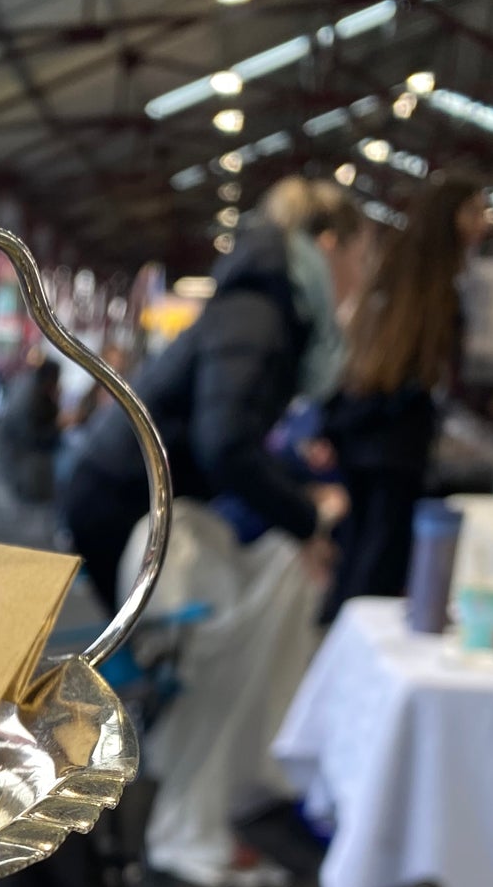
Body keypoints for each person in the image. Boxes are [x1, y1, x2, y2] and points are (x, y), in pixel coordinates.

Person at [61, 177, 364, 610]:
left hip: (129, 493)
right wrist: (305, 518)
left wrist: (296, 490)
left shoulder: (262, 306)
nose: (359, 276)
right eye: (360, 257)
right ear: (330, 245)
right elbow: (226, 443)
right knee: (168, 648)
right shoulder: (258, 315)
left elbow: (232, 429)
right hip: (120, 502)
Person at [321, 171, 488, 615]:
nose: (483, 221)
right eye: (473, 210)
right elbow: (428, 371)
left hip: (371, 433)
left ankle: (341, 641)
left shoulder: (406, 271)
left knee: (365, 553)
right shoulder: (434, 286)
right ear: (448, 216)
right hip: (393, 440)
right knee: (379, 562)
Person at [0, 356, 62, 510]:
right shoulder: (28, 397)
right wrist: (57, 427)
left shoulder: (32, 386)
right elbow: (32, 436)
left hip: (21, 452)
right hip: (19, 457)